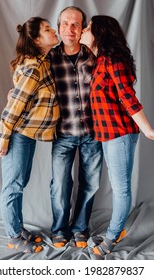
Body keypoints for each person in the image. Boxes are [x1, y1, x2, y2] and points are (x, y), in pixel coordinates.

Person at [80, 15, 154, 256]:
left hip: (120, 135)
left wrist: (148, 129)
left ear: (100, 33)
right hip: (108, 135)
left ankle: (111, 239)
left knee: (120, 189)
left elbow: (127, 98)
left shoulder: (113, 61)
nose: (83, 30)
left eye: (89, 27)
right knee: (117, 186)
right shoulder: (100, 61)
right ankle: (115, 229)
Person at [0, 17, 60, 253]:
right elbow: (14, 108)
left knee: (19, 184)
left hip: (27, 134)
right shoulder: (33, 67)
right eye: (47, 29)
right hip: (17, 134)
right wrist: (4, 139)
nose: (54, 31)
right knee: (13, 186)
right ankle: (13, 235)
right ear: (36, 39)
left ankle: (18, 228)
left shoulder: (41, 62)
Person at [49, 6, 103, 248]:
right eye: (65, 24)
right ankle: (60, 230)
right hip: (63, 134)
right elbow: (29, 85)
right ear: (59, 27)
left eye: (75, 24)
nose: (70, 29)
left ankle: (80, 228)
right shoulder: (48, 58)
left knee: (90, 184)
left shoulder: (95, 56)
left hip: (94, 133)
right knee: (60, 185)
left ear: (83, 29)